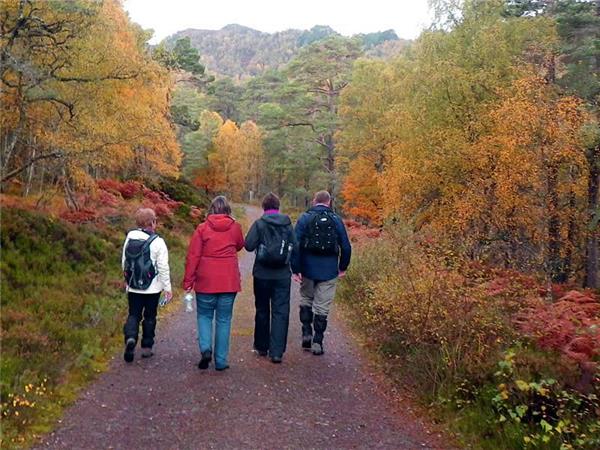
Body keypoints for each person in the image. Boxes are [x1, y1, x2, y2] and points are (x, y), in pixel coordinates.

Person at [183, 196, 244, 371]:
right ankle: (221, 361)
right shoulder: (235, 227)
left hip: (205, 282)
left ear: (211, 209)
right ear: (228, 210)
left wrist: (188, 281)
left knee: (204, 316)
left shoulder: (202, 229)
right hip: (228, 281)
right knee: (224, 320)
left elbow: (193, 256)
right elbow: (240, 244)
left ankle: (205, 350)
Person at [291, 190, 351, 355]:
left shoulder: (304, 218)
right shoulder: (336, 220)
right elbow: (345, 246)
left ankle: (306, 332)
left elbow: (295, 245)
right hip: (329, 269)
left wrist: (295, 269)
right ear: (329, 202)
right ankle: (318, 341)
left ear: (313, 201)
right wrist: (342, 267)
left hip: (307, 268)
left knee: (306, 299)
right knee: (322, 306)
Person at [244, 192, 296, 364]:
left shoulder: (259, 224)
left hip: (262, 274)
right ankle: (277, 352)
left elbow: (249, 245)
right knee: (281, 311)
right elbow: (295, 247)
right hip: (282, 274)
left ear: (263, 207)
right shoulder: (287, 224)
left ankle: (261, 346)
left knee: (262, 309)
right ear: (278, 207)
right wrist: (296, 270)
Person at [122, 208, 172, 363]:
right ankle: (146, 347)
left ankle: (130, 338)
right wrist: (167, 288)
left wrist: (126, 278)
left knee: (133, 314)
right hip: (153, 288)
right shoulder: (158, 242)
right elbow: (163, 267)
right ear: (152, 223)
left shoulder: (130, 237)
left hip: (133, 285)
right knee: (150, 316)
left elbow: (125, 260)